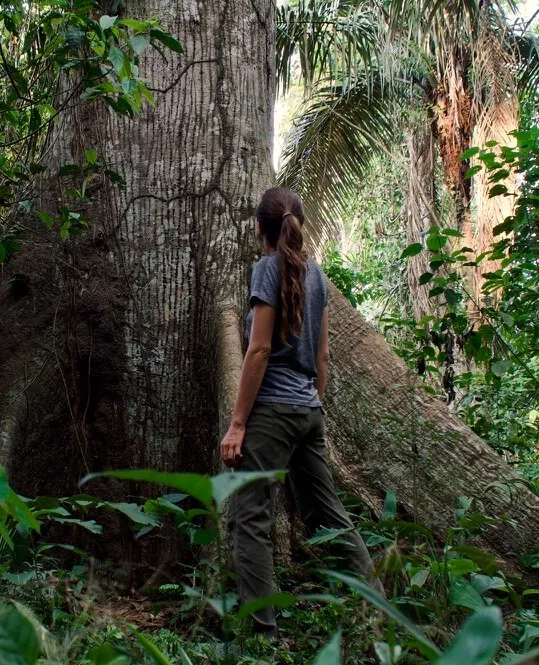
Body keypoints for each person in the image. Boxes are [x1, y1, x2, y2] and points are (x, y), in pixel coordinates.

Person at [220, 186, 375, 637]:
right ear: (298, 225)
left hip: (271, 413)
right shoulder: (318, 276)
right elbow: (323, 356)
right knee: (328, 513)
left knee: (250, 518)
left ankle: (263, 635)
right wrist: (312, 404)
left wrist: (237, 425)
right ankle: (380, 609)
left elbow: (259, 349)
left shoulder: (267, 269)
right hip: (309, 410)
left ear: (258, 228)